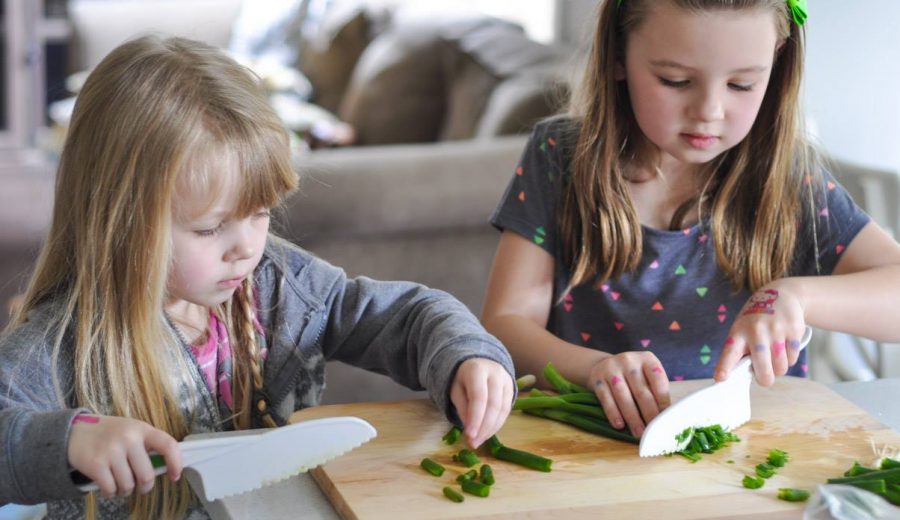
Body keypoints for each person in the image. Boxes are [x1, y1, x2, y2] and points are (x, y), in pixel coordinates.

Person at [0, 35, 515, 519]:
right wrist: (70, 441)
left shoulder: (278, 282)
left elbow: (403, 315)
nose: (247, 246)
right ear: (118, 221)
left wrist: (464, 352)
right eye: (210, 228)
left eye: (261, 212)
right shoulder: (63, 342)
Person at [482, 0, 900, 440]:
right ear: (618, 57)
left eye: (742, 84)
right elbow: (506, 323)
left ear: (776, 65)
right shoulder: (561, 157)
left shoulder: (786, 178)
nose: (709, 111)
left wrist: (797, 297)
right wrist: (594, 369)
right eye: (675, 81)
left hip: (752, 449)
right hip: (589, 447)